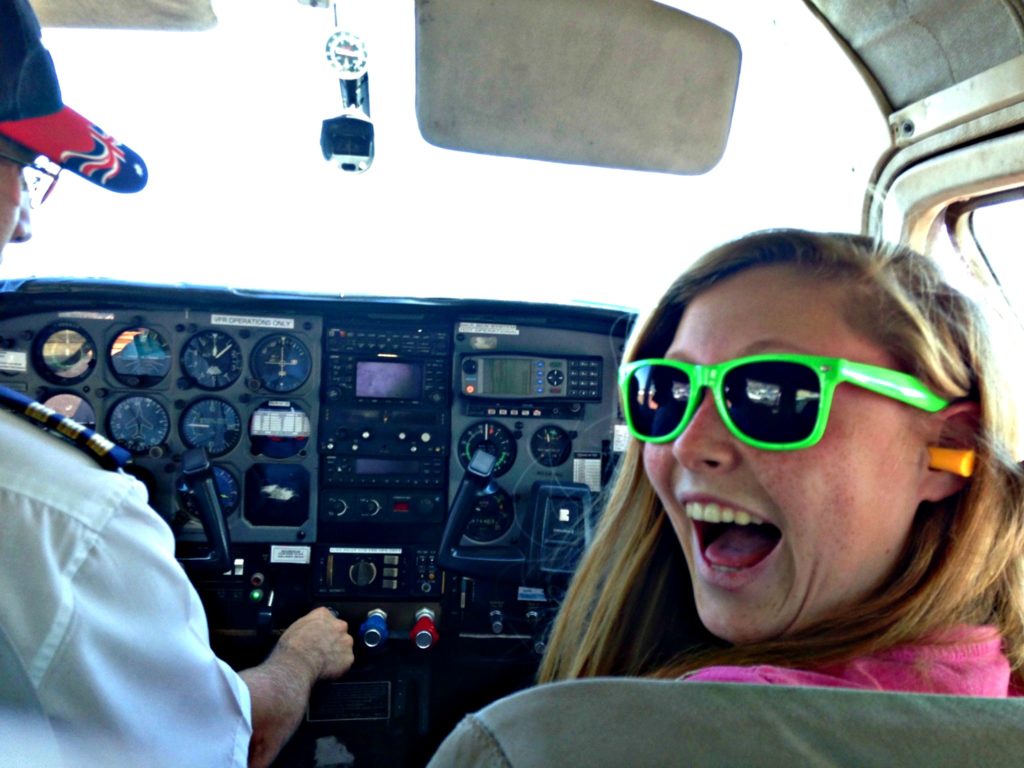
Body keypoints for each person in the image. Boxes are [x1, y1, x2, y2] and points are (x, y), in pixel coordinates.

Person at [0, 2, 354, 767]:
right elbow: (233, 743)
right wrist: (300, 656)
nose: (26, 222)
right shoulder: (63, 514)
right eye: (22, 171)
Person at [535, 228, 1024, 692]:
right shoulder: (997, 681)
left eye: (772, 395)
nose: (688, 444)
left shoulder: (682, 728)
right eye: (668, 390)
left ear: (951, 450)